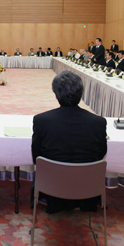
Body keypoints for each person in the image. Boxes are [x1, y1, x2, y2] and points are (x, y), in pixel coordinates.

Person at [32, 71, 107, 214]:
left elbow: (36, 157)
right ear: (81, 93)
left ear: (56, 94)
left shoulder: (41, 120)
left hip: (51, 188)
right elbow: (100, 154)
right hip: (87, 188)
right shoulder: (98, 122)